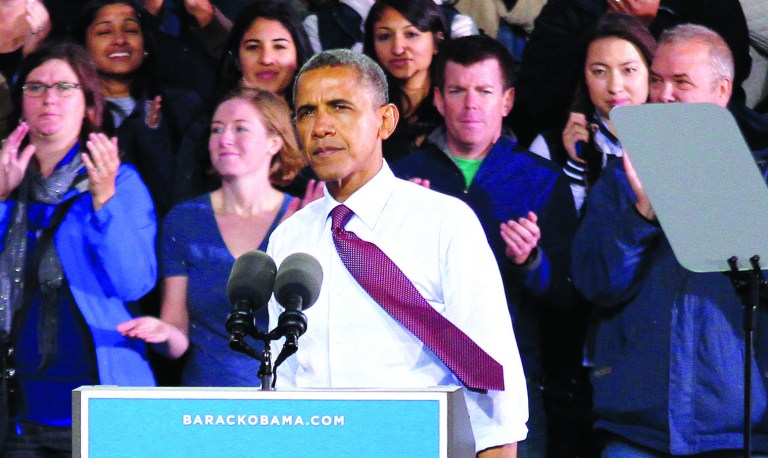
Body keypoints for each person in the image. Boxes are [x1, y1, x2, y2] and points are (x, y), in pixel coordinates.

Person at [267, 48, 529, 457]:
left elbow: (491, 379)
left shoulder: (444, 222)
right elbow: (285, 377)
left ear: (385, 121)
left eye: (340, 107)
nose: (321, 126)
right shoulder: (289, 238)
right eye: (306, 112)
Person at [571, 24, 768, 455]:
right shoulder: (623, 176)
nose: (663, 95)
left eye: (681, 82)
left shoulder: (760, 175)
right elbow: (594, 283)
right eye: (656, 80)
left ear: (721, 91)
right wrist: (642, 213)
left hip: (738, 431)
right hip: (637, 425)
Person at [391, 34, 578, 457]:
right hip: (419, 383)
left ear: (507, 100)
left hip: (511, 387)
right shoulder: (400, 179)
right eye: (457, 90)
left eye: (485, 91)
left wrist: (531, 262)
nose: (470, 104)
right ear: (438, 99)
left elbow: (569, 295)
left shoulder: (542, 180)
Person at [0, 41, 156, 455]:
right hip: (13, 406)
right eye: (35, 87)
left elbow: (134, 283)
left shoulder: (119, 182)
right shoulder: (4, 180)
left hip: (98, 403)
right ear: (21, 102)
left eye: (65, 87)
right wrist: (1, 201)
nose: (49, 98)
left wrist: (105, 203)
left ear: (90, 104)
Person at [117, 88, 312, 386]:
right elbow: (177, 332)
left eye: (240, 129)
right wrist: (162, 332)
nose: (224, 139)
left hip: (289, 403)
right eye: (216, 129)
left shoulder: (303, 216)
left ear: (274, 142)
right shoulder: (184, 221)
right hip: (207, 402)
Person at [510, 0, 752, 147]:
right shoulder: (573, 7)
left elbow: (732, 70)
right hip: (583, 128)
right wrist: (617, 30)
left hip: (690, 134)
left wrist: (647, 27)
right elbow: (538, 88)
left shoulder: (711, 7)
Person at [73, 0, 208, 216]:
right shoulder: (69, 113)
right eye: (105, 32)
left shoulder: (181, 106)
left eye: (130, 30)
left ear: (145, 45)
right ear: (83, 48)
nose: (120, 40)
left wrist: (152, 135)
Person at [529, 13, 656, 214]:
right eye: (599, 72)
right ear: (584, 78)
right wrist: (576, 167)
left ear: (651, 72)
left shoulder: (673, 145)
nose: (615, 86)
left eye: (628, 70)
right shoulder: (550, 149)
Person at [363, 0, 452, 162]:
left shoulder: (455, 103)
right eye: (384, 36)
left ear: (437, 42)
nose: (397, 48)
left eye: (411, 34)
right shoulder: (365, 106)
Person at [216, 0, 313, 106]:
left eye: (279, 46)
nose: (266, 59)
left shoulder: (320, 117)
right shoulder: (220, 118)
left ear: (298, 56)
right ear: (237, 60)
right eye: (253, 47)